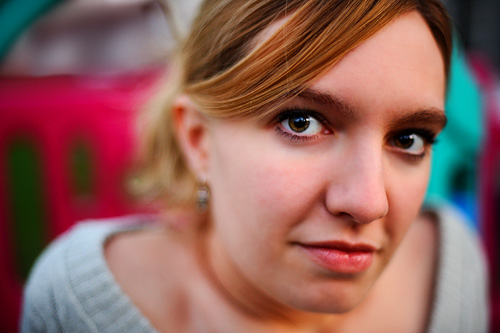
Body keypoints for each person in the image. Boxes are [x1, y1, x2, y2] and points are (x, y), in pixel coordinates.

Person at [21, 0, 489, 332]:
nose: (369, 203)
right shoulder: (81, 306)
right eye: (302, 123)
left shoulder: (451, 267)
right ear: (198, 140)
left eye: (409, 138)